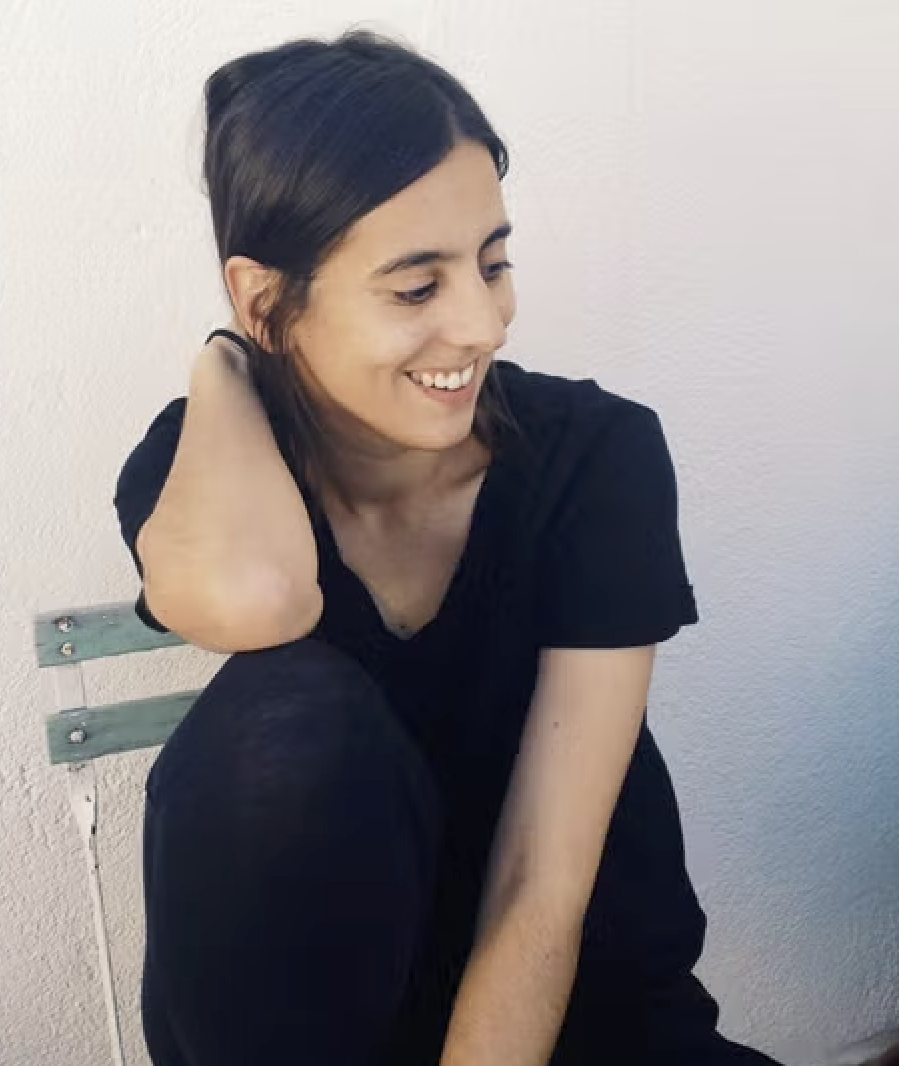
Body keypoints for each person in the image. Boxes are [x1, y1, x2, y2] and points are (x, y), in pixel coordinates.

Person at [113, 29, 783, 1066]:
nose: (483, 324)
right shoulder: (209, 469)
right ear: (264, 299)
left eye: (494, 262)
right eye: (416, 288)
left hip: (576, 1011)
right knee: (289, 710)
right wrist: (224, 361)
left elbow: (541, 883)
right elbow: (254, 599)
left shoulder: (592, 456)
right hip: (324, 1037)